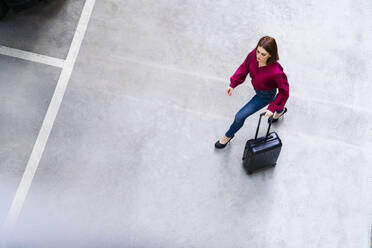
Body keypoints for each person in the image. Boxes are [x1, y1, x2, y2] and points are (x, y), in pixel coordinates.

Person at [215, 36, 289, 149]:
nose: (258, 56)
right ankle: (280, 110)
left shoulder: (276, 72)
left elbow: (284, 92)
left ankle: (228, 136)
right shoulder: (253, 55)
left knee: (240, 116)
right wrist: (233, 84)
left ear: (271, 54)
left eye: (263, 54)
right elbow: (244, 68)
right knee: (276, 102)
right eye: (258, 51)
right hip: (259, 90)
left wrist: (271, 108)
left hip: (265, 95)